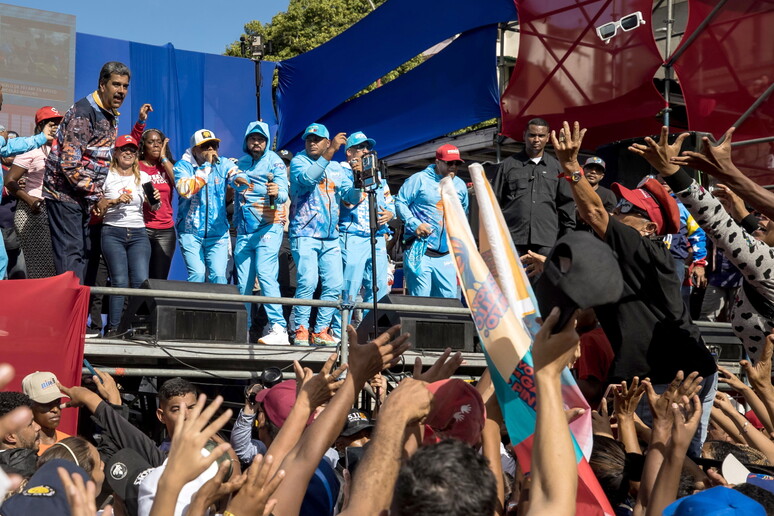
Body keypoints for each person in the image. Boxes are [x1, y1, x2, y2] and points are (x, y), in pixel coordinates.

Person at [551, 121, 716, 457]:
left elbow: (594, 211)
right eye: (619, 205)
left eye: (626, 208)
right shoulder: (632, 258)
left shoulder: (648, 248)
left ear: (650, 226)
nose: (616, 210)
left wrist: (571, 167)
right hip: (674, 371)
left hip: (671, 376)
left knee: (658, 463)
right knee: (668, 464)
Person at [43, 61, 130, 282]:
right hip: (64, 195)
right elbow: (69, 165)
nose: (121, 91)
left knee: (80, 257)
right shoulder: (84, 113)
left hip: (81, 198)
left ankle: (76, 303)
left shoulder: (108, 113)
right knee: (70, 258)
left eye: (125, 86)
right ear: (102, 84)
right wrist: (98, 197)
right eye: (116, 84)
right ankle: (68, 304)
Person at [288, 123, 362, 346]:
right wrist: (330, 152)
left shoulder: (338, 169)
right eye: (309, 139)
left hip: (331, 237)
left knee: (334, 285)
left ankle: (321, 330)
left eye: (317, 139)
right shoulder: (299, 161)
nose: (311, 143)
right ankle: (301, 329)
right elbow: (307, 179)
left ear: (326, 141)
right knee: (307, 282)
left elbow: (351, 198)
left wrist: (359, 178)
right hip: (305, 234)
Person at [331, 131, 394, 336]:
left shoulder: (377, 174)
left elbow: (389, 200)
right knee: (349, 287)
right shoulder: (340, 171)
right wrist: (359, 177)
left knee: (378, 287)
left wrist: (390, 213)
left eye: (367, 147)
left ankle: (371, 332)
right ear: (349, 152)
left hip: (376, 237)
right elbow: (348, 200)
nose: (365, 151)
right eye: (360, 147)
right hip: (352, 236)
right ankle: (340, 333)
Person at [93, 134, 157, 336]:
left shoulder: (143, 177)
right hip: (113, 231)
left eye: (132, 150)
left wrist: (154, 199)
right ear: (116, 153)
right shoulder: (106, 175)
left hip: (138, 232)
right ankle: (113, 328)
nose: (128, 153)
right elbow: (98, 207)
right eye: (124, 149)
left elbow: (154, 207)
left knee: (140, 281)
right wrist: (115, 201)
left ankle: (131, 326)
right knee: (119, 281)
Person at [232, 121, 289, 345]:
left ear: (266, 142)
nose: (257, 142)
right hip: (245, 231)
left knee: (265, 274)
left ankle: (279, 328)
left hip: (269, 226)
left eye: (261, 139)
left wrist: (278, 191)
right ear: (247, 141)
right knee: (243, 283)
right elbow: (235, 187)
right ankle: (243, 330)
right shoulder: (242, 163)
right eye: (253, 138)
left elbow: (283, 192)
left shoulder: (274, 161)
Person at [493, 117, 576, 256]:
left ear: (548, 138)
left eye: (541, 136)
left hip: (546, 239)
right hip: (513, 238)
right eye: (532, 135)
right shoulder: (507, 166)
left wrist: (567, 237)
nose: (536, 139)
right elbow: (493, 202)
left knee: (544, 271)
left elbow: (566, 205)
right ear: (524, 135)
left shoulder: (557, 168)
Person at [395, 143, 469, 298]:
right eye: (449, 163)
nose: (453, 167)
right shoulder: (419, 179)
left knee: (450, 300)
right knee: (422, 300)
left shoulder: (460, 185)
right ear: (438, 162)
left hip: (446, 253)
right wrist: (414, 223)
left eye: (457, 163)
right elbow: (400, 202)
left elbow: (463, 214)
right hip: (419, 249)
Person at [5, 106, 62, 279]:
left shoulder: (65, 150)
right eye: (51, 123)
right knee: (41, 268)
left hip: (56, 210)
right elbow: (9, 181)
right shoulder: (31, 149)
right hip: (33, 210)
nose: (56, 127)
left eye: (58, 123)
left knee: (56, 265)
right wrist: (30, 200)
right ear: (40, 126)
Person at [174, 129, 237, 284]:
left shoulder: (222, 164)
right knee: (197, 275)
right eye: (205, 146)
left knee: (220, 277)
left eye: (213, 145)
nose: (210, 149)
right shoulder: (183, 166)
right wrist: (206, 167)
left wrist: (240, 179)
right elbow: (186, 190)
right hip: (191, 232)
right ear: (194, 150)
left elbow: (236, 174)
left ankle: (218, 302)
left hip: (218, 233)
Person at [132, 104, 177, 280]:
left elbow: (179, 183)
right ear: (143, 146)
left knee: (159, 279)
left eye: (159, 142)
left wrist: (164, 158)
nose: (156, 145)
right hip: (142, 228)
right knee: (139, 278)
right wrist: (140, 122)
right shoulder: (136, 166)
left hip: (165, 230)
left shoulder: (169, 166)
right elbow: (131, 144)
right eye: (151, 142)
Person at [20, 371, 70, 454]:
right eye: (46, 403)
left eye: (57, 401)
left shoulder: (70, 445)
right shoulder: (21, 451)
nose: (55, 409)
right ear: (29, 406)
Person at [155, 377, 198, 453]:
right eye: (177, 410)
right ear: (162, 416)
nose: (187, 416)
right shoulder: (162, 457)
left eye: (191, 408)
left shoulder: (211, 443)